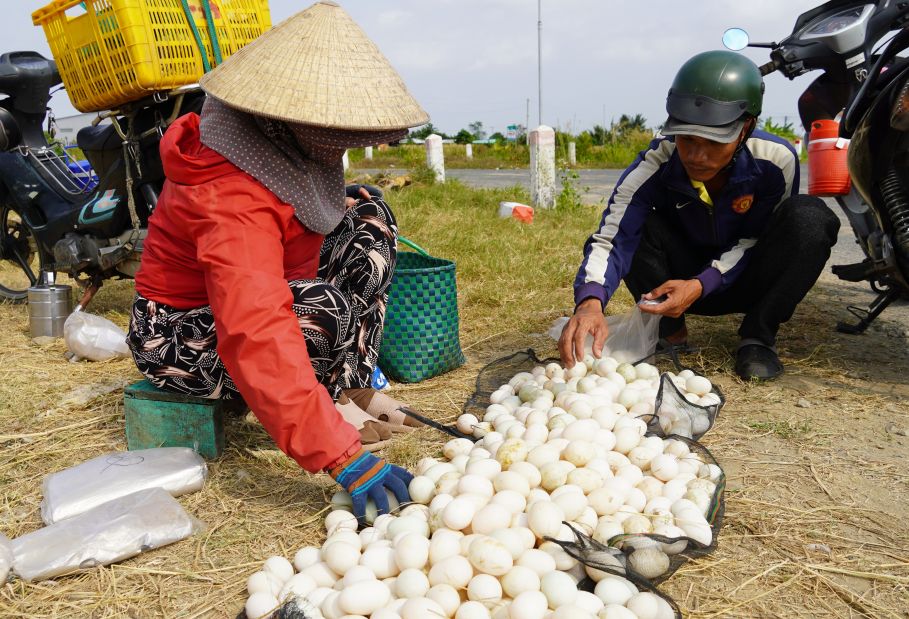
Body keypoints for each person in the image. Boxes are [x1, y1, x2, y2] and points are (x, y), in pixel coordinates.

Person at [126, 2, 427, 521]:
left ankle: (347, 388)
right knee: (320, 308)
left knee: (368, 220)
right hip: (178, 334)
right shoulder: (228, 192)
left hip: (265, 294)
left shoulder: (279, 148)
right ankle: (328, 417)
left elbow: (294, 248)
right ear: (291, 119)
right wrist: (339, 455)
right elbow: (254, 325)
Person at [561, 51, 840, 380]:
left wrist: (701, 283)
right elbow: (612, 238)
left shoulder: (775, 160)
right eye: (686, 139)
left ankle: (758, 336)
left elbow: (756, 239)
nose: (696, 155)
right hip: (671, 285)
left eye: (713, 142)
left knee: (809, 218)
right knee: (638, 227)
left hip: (743, 280)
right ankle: (671, 330)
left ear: (745, 128)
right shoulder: (655, 162)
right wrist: (590, 302)